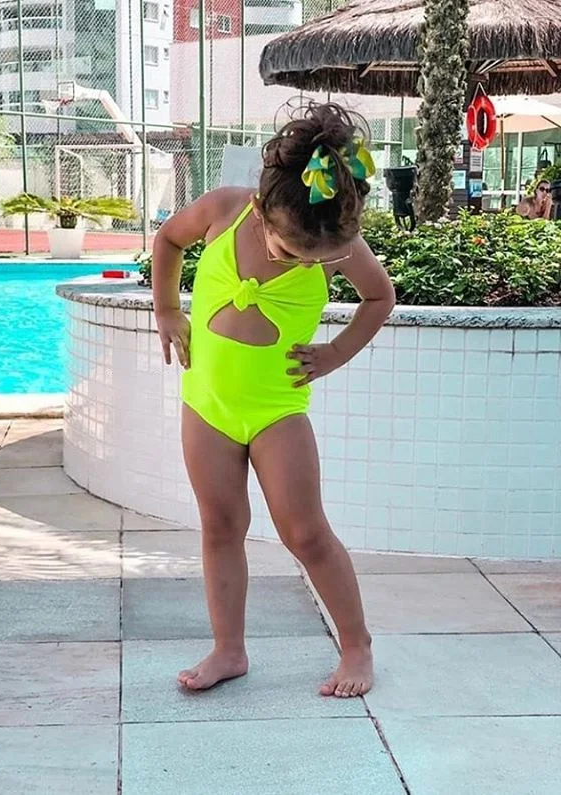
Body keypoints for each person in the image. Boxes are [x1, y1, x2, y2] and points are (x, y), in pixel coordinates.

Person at [152, 102, 396, 699]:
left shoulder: (334, 240)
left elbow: (379, 298)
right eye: (292, 254)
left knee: (305, 532)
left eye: (316, 262)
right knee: (220, 525)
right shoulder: (224, 209)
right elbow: (168, 239)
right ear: (260, 210)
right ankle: (228, 649)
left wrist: (334, 353)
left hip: (276, 410)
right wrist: (167, 309)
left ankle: (356, 644)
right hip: (206, 403)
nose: (304, 263)